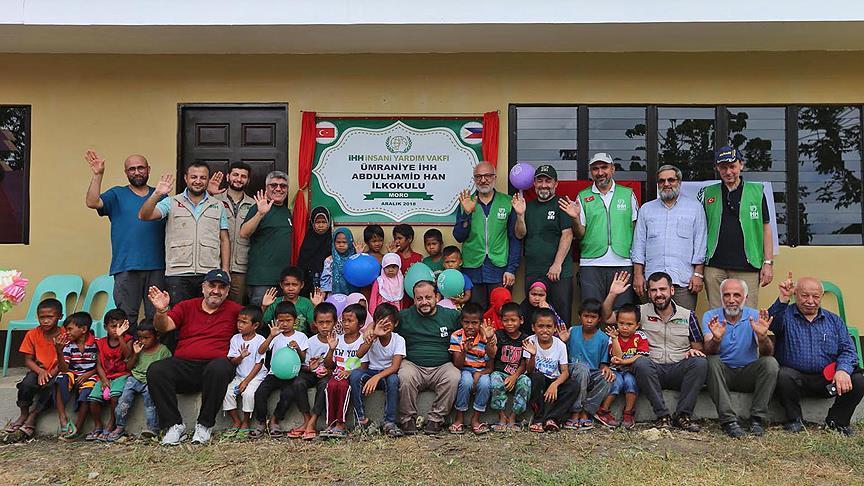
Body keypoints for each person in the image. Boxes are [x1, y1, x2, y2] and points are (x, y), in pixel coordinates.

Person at [146, 269, 242, 446]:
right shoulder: (186, 306)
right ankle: (174, 425)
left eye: (222, 287)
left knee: (220, 366)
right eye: (212, 285)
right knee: (156, 370)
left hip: (215, 368)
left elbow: (253, 325)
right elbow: (164, 327)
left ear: (227, 292)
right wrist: (161, 312)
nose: (216, 290)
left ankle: (204, 425)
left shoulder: (235, 310)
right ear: (203, 287)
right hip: (185, 365)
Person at [603, 271, 706, 432]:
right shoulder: (640, 312)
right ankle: (662, 416)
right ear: (648, 293)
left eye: (663, 289)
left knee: (700, 362)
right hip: (652, 370)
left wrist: (694, 351)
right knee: (641, 362)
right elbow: (608, 317)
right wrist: (612, 294)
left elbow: (699, 347)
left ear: (672, 290)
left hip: (679, 367)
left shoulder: (688, 315)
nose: (659, 294)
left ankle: (683, 416)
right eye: (653, 290)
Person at [770, 273, 863, 436]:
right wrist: (783, 299)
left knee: (859, 379)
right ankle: (794, 420)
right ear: (796, 294)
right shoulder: (786, 316)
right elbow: (771, 322)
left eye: (815, 296)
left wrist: (843, 370)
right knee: (783, 375)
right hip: (796, 381)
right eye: (805, 296)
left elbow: (848, 350)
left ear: (821, 297)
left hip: (828, 380)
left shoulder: (834, 320)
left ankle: (837, 422)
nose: (810, 301)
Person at [84, 150, 166, 329]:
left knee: (157, 316)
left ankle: (156, 357)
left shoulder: (161, 196)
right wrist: (98, 175)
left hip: (158, 266)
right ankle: (129, 356)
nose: (137, 172)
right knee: (127, 318)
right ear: (126, 173)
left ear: (148, 169)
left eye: (141, 168)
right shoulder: (117, 194)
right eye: (132, 169)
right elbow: (92, 202)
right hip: (126, 265)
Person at [138, 162, 230, 305]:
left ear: (207, 180)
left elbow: (224, 239)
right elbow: (144, 215)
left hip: (209, 272)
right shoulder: (171, 202)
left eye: (202, 177)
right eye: (194, 177)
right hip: (177, 273)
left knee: (206, 318)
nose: (198, 181)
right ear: (186, 178)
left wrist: (224, 269)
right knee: (179, 319)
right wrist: (157, 194)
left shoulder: (217, 205)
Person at [559, 152, 639, 308]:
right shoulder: (583, 196)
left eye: (604, 167)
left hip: (623, 262)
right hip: (591, 263)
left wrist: (637, 265)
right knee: (591, 313)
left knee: (621, 315)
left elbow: (637, 230)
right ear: (591, 172)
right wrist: (575, 218)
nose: (600, 172)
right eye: (595, 169)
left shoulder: (627, 194)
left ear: (613, 169)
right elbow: (580, 234)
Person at [702, 278, 778, 438]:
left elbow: (766, 353)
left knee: (770, 363)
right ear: (721, 297)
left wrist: (763, 338)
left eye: (736, 295)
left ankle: (757, 419)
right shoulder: (711, 316)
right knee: (711, 361)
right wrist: (716, 339)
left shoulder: (755, 316)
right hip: (723, 374)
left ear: (745, 298)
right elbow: (708, 351)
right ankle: (729, 421)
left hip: (747, 373)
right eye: (726, 295)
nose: (731, 300)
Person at [701, 146, 773, 309]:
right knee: (717, 316)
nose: (728, 172)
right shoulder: (708, 193)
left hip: (747, 265)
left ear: (741, 165)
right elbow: (698, 230)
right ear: (717, 168)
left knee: (747, 316)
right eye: (723, 167)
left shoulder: (756, 191)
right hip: (714, 266)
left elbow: (766, 227)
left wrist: (768, 262)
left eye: (732, 166)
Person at [631, 164, 706, 310]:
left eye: (671, 180)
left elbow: (700, 243)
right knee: (652, 327)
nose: (666, 184)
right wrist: (638, 275)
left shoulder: (695, 208)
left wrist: (698, 274)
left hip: (683, 281)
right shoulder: (647, 209)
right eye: (661, 181)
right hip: (652, 283)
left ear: (679, 182)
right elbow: (639, 244)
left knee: (683, 327)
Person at [454, 161, 522, 309]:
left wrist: (511, 269)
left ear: (495, 177)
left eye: (487, 176)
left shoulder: (508, 202)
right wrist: (466, 214)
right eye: (478, 177)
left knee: (500, 311)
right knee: (475, 314)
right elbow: (459, 236)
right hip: (472, 268)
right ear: (474, 179)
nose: (483, 180)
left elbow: (515, 239)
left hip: (499, 268)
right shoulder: (466, 202)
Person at [397, 280, 462, 435]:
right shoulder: (404, 315)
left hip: (442, 365)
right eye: (419, 299)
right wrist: (370, 329)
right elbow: (382, 319)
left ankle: (436, 420)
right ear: (414, 300)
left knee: (454, 376)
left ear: (436, 297)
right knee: (405, 376)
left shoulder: (451, 315)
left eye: (428, 297)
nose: (424, 302)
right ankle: (407, 420)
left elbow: (471, 323)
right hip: (413, 364)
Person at [513, 165, 575, 322]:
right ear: (534, 183)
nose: (543, 185)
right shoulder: (528, 206)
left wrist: (557, 264)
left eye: (548, 181)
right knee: (534, 317)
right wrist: (520, 216)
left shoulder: (562, 204)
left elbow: (567, 235)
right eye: (539, 181)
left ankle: (562, 347)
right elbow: (520, 234)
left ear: (556, 183)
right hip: (534, 271)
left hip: (559, 272)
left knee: (560, 316)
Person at [7, 298, 64, 441]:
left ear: (59, 317)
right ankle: (24, 413)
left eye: (50, 317)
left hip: (59, 370)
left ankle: (33, 415)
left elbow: (66, 359)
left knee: (53, 386)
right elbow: (28, 360)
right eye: (42, 317)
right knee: (27, 383)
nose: (45, 321)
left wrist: (50, 373)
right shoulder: (32, 334)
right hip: (39, 370)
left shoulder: (65, 334)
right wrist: (41, 372)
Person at [251, 301, 309, 438]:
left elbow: (302, 359)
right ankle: (260, 421)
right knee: (260, 393)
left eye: (288, 320)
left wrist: (298, 348)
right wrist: (271, 336)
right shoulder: (275, 336)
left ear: (295, 320)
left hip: (292, 374)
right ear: (276, 320)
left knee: (288, 394)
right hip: (274, 373)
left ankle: (275, 420)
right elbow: (261, 350)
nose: (284, 323)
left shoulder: (301, 337)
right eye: (280, 320)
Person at [350, 303, 405, 437]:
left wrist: (377, 377)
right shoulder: (371, 336)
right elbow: (359, 354)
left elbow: (395, 367)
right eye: (381, 322)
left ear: (395, 323)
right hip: (371, 372)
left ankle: (389, 422)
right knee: (355, 375)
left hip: (387, 373)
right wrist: (373, 336)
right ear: (375, 322)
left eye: (389, 323)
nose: (385, 326)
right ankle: (361, 420)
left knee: (393, 380)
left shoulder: (398, 340)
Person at [239, 170, 294, 306]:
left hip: (284, 281)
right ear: (266, 188)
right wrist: (260, 214)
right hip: (262, 280)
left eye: (283, 186)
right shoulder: (258, 209)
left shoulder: (287, 212)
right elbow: (244, 233)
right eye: (273, 185)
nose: (278, 189)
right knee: (260, 321)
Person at [558, 299, 614, 430]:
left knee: (608, 378)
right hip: (572, 370)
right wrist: (563, 341)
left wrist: (606, 368)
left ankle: (586, 412)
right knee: (582, 369)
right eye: (586, 316)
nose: (589, 320)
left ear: (599, 319)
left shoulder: (603, 338)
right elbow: (562, 356)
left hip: (591, 372)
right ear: (580, 316)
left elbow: (603, 364)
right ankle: (575, 412)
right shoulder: (572, 331)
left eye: (593, 317)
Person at [111, 320, 171, 440]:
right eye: (140, 337)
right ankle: (120, 426)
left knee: (150, 404)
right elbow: (129, 367)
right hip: (134, 378)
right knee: (123, 401)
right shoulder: (138, 347)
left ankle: (152, 428)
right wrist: (136, 353)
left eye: (146, 338)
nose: (143, 341)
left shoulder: (163, 350)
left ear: (157, 336)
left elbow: (168, 369)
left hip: (151, 381)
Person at [207, 163, 256, 304]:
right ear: (228, 177)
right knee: (211, 305)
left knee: (235, 309)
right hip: (214, 263)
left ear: (248, 180)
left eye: (243, 176)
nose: (239, 179)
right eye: (235, 175)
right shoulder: (213, 200)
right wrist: (208, 193)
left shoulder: (254, 204)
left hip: (241, 267)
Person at [524, 307, 576, 433]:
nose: (545, 330)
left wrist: (555, 384)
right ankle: (538, 419)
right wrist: (532, 355)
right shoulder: (530, 341)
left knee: (573, 386)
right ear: (533, 327)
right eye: (540, 326)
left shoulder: (560, 345)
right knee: (537, 377)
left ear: (554, 328)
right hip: (537, 379)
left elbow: (565, 372)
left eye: (549, 326)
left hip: (553, 379)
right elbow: (529, 370)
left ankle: (552, 419)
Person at [597, 304, 648, 429]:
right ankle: (603, 410)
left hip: (631, 370)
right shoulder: (613, 337)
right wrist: (614, 339)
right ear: (617, 323)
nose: (624, 327)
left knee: (631, 382)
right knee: (616, 383)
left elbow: (641, 356)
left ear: (637, 325)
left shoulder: (640, 336)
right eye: (621, 323)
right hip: (615, 370)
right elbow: (617, 356)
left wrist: (624, 362)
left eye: (629, 324)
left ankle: (628, 413)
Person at [293, 302, 337, 440]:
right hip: (312, 374)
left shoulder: (338, 340)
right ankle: (306, 418)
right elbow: (304, 365)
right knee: (298, 382)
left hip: (329, 374)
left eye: (328, 322)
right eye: (321, 322)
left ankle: (313, 420)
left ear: (335, 322)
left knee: (324, 385)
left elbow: (338, 365)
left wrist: (328, 370)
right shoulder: (310, 341)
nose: (324, 326)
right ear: (315, 324)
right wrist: (310, 368)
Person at [87, 310, 133, 441]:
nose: (116, 330)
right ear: (105, 327)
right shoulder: (100, 343)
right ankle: (98, 424)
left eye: (120, 326)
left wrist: (120, 337)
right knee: (93, 399)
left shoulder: (128, 340)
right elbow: (99, 365)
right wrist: (104, 379)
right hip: (105, 376)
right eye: (113, 326)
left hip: (122, 374)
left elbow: (127, 355)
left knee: (114, 397)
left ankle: (112, 422)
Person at [449, 303, 494, 435]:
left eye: (474, 323)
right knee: (466, 381)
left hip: (482, 370)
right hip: (464, 369)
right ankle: (459, 417)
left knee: (485, 384)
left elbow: (491, 365)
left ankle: (476, 418)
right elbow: (457, 365)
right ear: (461, 322)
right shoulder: (456, 336)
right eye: (466, 322)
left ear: (480, 323)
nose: (470, 326)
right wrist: (464, 351)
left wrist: (480, 373)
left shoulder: (486, 336)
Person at [53, 312, 99, 441]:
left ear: (83, 329)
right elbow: (64, 369)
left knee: (87, 393)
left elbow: (101, 365)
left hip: (91, 376)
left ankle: (77, 428)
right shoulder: (68, 345)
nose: (67, 333)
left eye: (70, 329)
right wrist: (59, 351)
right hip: (72, 373)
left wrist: (88, 374)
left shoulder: (97, 344)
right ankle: (63, 418)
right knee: (60, 379)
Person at [321, 304, 365, 439]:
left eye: (350, 321)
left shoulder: (363, 341)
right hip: (337, 374)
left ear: (361, 323)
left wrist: (350, 372)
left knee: (343, 387)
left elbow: (365, 365)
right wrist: (331, 348)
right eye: (344, 320)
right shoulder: (337, 339)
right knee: (331, 385)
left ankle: (341, 423)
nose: (346, 324)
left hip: (351, 376)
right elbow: (329, 365)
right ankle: (330, 422)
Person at [222, 306, 266, 439]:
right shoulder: (235, 339)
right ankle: (236, 421)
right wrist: (241, 356)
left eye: (244, 322)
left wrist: (246, 381)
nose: (240, 325)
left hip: (256, 376)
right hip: (239, 375)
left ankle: (246, 421)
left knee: (248, 394)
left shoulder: (260, 340)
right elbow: (233, 361)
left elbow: (259, 364)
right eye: (238, 321)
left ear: (255, 325)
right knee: (227, 392)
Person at [487, 302, 531, 432]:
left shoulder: (525, 339)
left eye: (513, 320)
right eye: (506, 320)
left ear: (521, 320)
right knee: (494, 378)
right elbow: (491, 354)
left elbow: (523, 363)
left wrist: (514, 377)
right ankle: (501, 416)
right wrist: (490, 340)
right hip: (500, 373)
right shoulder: (498, 335)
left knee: (526, 381)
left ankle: (513, 417)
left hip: (517, 374)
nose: (509, 323)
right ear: (501, 321)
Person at [261, 266, 318, 335]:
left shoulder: (307, 303)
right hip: (278, 340)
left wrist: (316, 306)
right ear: (281, 285)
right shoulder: (275, 302)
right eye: (287, 284)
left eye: (295, 285)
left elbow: (314, 330)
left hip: (301, 341)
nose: (291, 288)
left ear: (302, 285)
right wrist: (264, 306)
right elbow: (261, 325)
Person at [297, 206, 333, 297]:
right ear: (312, 223)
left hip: (329, 286)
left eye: (324, 222)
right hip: (309, 285)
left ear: (329, 222)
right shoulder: (307, 242)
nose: (321, 225)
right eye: (317, 222)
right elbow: (302, 265)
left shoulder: (333, 242)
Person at [320, 227, 357, 296]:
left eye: (344, 242)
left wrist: (359, 255)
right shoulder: (330, 260)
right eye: (338, 242)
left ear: (350, 242)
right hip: (334, 296)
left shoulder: (354, 259)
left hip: (352, 295)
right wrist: (322, 297)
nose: (341, 245)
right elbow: (325, 280)